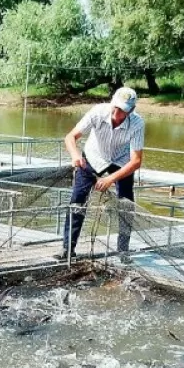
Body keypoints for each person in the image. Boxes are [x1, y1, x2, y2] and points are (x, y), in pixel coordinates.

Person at [61, 87, 145, 259]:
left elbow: (136, 161)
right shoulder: (98, 112)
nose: (117, 113)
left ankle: (123, 250)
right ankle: (68, 249)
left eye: (123, 110)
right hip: (93, 156)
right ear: (112, 102)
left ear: (131, 110)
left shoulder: (137, 123)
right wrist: (75, 155)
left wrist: (110, 179)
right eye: (115, 107)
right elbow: (70, 137)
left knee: (126, 205)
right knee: (77, 200)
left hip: (120, 161)